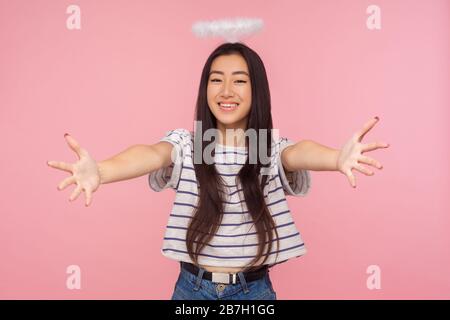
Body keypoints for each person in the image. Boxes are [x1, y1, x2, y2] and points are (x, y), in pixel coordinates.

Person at [47, 42, 389, 300]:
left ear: (257, 91)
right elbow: (151, 154)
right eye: (216, 80)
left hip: (253, 293)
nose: (226, 91)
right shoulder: (189, 145)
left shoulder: (265, 148)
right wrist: (102, 172)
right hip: (191, 291)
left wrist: (335, 158)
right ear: (205, 88)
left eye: (239, 81)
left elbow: (299, 153)